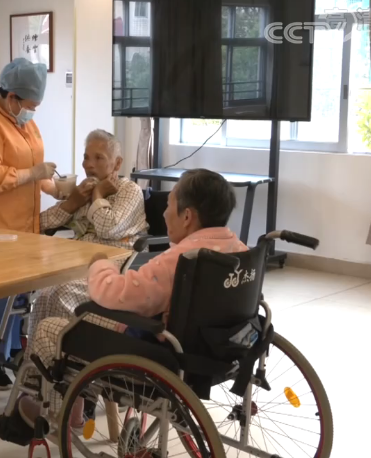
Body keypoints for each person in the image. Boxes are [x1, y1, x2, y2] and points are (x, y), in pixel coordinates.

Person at [17, 169, 248, 426]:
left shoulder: (181, 261)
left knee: (51, 328)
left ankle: (43, 408)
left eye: (168, 205)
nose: (164, 213)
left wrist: (100, 266)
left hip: (160, 357)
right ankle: (75, 403)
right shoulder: (241, 252)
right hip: (217, 354)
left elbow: (116, 295)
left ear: (187, 216)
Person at [0, 57, 60, 390]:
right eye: (29, 106)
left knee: (20, 294)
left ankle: (13, 350)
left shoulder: (25, 123)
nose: (32, 112)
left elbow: (34, 167)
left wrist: (56, 188)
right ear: (12, 97)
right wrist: (34, 173)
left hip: (24, 224)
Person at [29, 129, 147, 335]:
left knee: (60, 292)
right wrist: (72, 203)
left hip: (113, 267)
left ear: (117, 163)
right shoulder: (84, 191)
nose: (88, 165)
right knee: (44, 295)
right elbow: (41, 224)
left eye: (98, 158)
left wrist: (98, 195)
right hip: (80, 263)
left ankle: (64, 347)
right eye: (86, 157)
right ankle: (41, 352)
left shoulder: (129, 190)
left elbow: (107, 228)